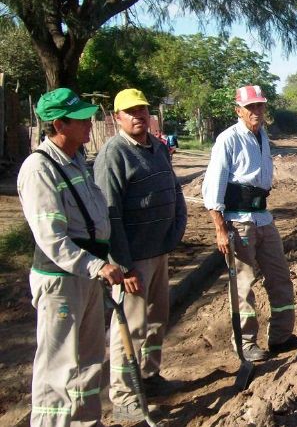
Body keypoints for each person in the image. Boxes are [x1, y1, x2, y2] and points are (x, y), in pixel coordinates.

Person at [18, 88, 125, 426]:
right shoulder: (40, 168)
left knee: (89, 359)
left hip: (87, 276)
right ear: (59, 124)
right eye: (80, 119)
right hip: (62, 281)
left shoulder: (77, 160)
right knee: (59, 366)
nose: (89, 123)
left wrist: (102, 262)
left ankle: (86, 421)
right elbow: (52, 238)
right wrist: (97, 265)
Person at [94, 88, 188, 421]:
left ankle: (149, 375)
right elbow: (110, 215)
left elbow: (174, 189)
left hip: (159, 252)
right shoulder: (113, 155)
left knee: (157, 318)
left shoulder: (158, 148)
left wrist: (175, 230)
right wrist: (123, 265)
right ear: (116, 117)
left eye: (142, 110)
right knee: (130, 328)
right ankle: (124, 396)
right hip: (133, 261)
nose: (138, 116)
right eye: (130, 112)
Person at [202, 85, 297, 362]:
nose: (256, 111)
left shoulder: (263, 136)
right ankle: (246, 343)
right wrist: (220, 228)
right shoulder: (228, 139)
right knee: (244, 284)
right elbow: (214, 185)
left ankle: (281, 337)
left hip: (263, 217)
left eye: (260, 106)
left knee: (280, 277)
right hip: (239, 221)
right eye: (250, 107)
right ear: (238, 110)